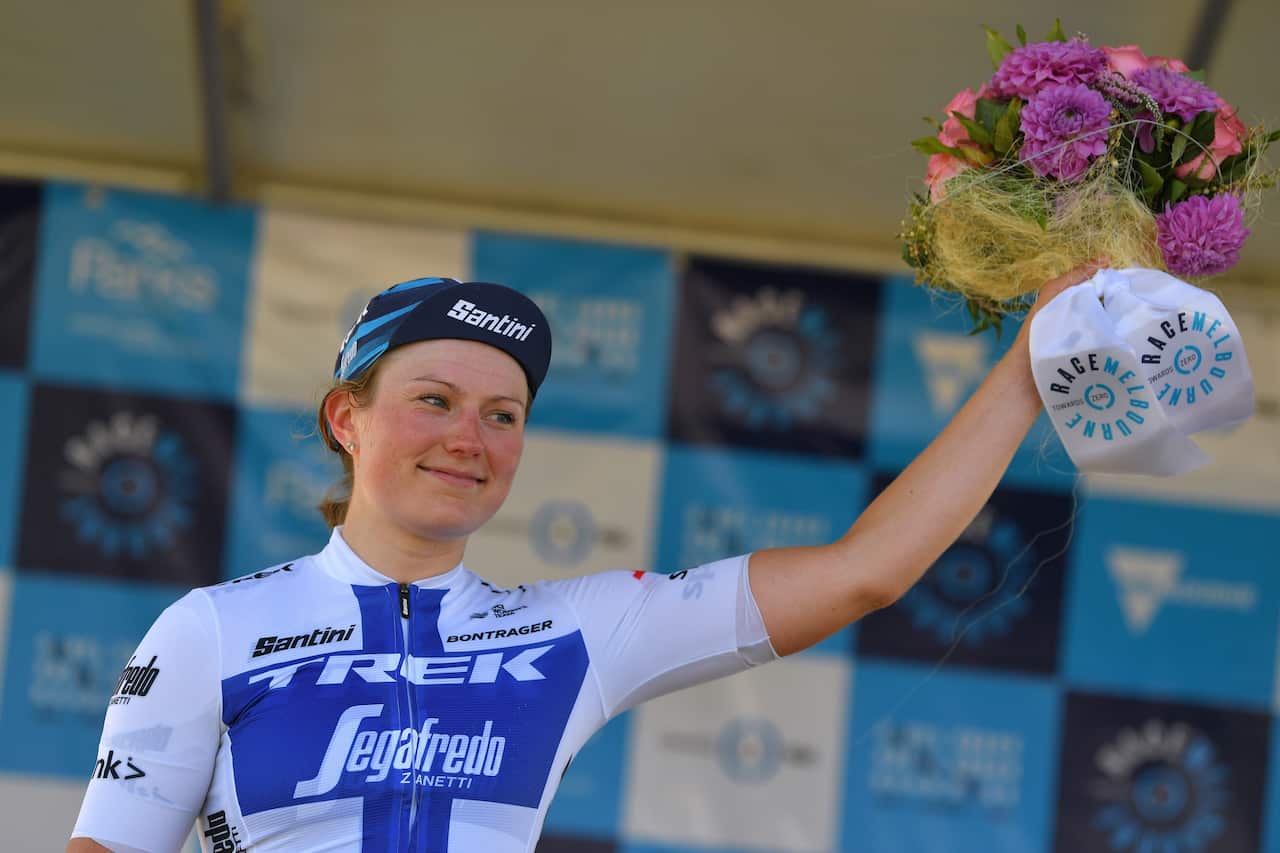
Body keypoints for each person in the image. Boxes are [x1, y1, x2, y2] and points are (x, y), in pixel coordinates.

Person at [68, 263, 1102, 852]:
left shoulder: (576, 629)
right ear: (347, 416)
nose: (468, 438)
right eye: (432, 400)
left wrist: (1023, 371)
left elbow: (862, 570)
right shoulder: (212, 627)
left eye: (502, 413)